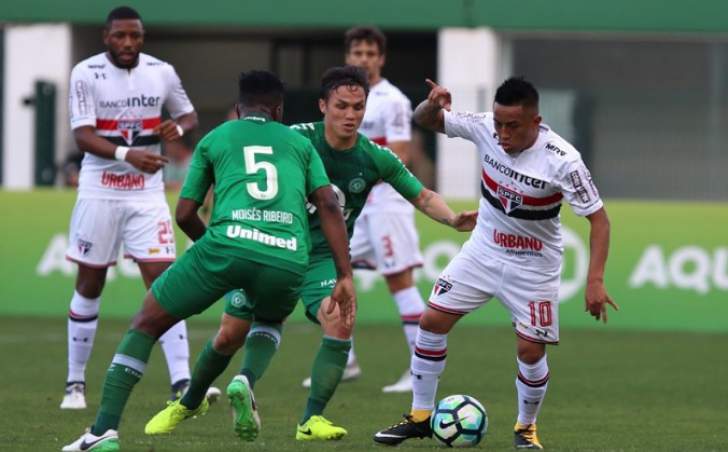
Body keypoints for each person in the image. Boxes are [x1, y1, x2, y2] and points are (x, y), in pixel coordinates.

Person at [143, 65, 477, 442]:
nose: (350, 115)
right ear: (322, 105)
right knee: (228, 335)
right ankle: (189, 402)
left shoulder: (373, 157)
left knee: (340, 322)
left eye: (358, 107)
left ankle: (309, 419)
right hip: (271, 245)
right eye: (341, 106)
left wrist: (451, 219)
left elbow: (421, 194)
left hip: (321, 258)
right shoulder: (293, 140)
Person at [62, 70, 355, 452]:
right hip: (287, 257)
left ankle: (103, 432)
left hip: (225, 246)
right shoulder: (298, 144)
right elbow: (329, 203)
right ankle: (246, 380)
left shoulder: (217, 137)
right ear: (279, 110)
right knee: (268, 318)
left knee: (146, 323)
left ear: (238, 107)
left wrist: (218, 252)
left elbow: (185, 213)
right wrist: (344, 274)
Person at [373, 77, 618, 449]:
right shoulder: (485, 125)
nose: (502, 133)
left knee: (530, 351)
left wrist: (595, 280)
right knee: (431, 321)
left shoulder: (563, 160)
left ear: (536, 122)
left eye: (513, 126)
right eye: (499, 124)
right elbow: (427, 120)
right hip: (483, 251)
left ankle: (526, 429)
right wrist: (434, 104)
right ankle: (420, 417)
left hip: (534, 267)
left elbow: (599, 219)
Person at [61, 6, 215, 410]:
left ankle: (182, 382)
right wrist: (129, 154)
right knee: (90, 282)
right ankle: (75, 383)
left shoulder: (161, 71)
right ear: (105, 36)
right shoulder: (85, 72)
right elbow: (82, 135)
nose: (128, 43)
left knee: (163, 283)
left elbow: (188, 114)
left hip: (146, 192)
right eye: (120, 36)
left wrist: (177, 128)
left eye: (136, 36)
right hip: (100, 189)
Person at [321, 25, 426, 394]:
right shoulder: (343, 98)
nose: (363, 59)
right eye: (357, 53)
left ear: (380, 59)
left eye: (370, 54)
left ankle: (420, 371)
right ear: (348, 56)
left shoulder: (392, 100)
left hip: (386, 205)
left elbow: (401, 154)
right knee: (325, 272)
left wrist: (356, 176)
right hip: (352, 205)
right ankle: (345, 360)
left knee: (400, 281)